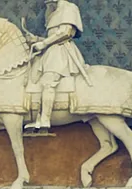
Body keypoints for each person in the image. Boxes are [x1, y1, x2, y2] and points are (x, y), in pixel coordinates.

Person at [24, 0, 89, 131]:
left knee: (48, 82)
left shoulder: (69, 8)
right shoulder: (54, 12)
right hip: (51, 51)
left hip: (61, 52)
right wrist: (36, 40)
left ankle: (44, 120)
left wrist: (44, 43)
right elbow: (53, 37)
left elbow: (65, 32)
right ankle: (37, 118)